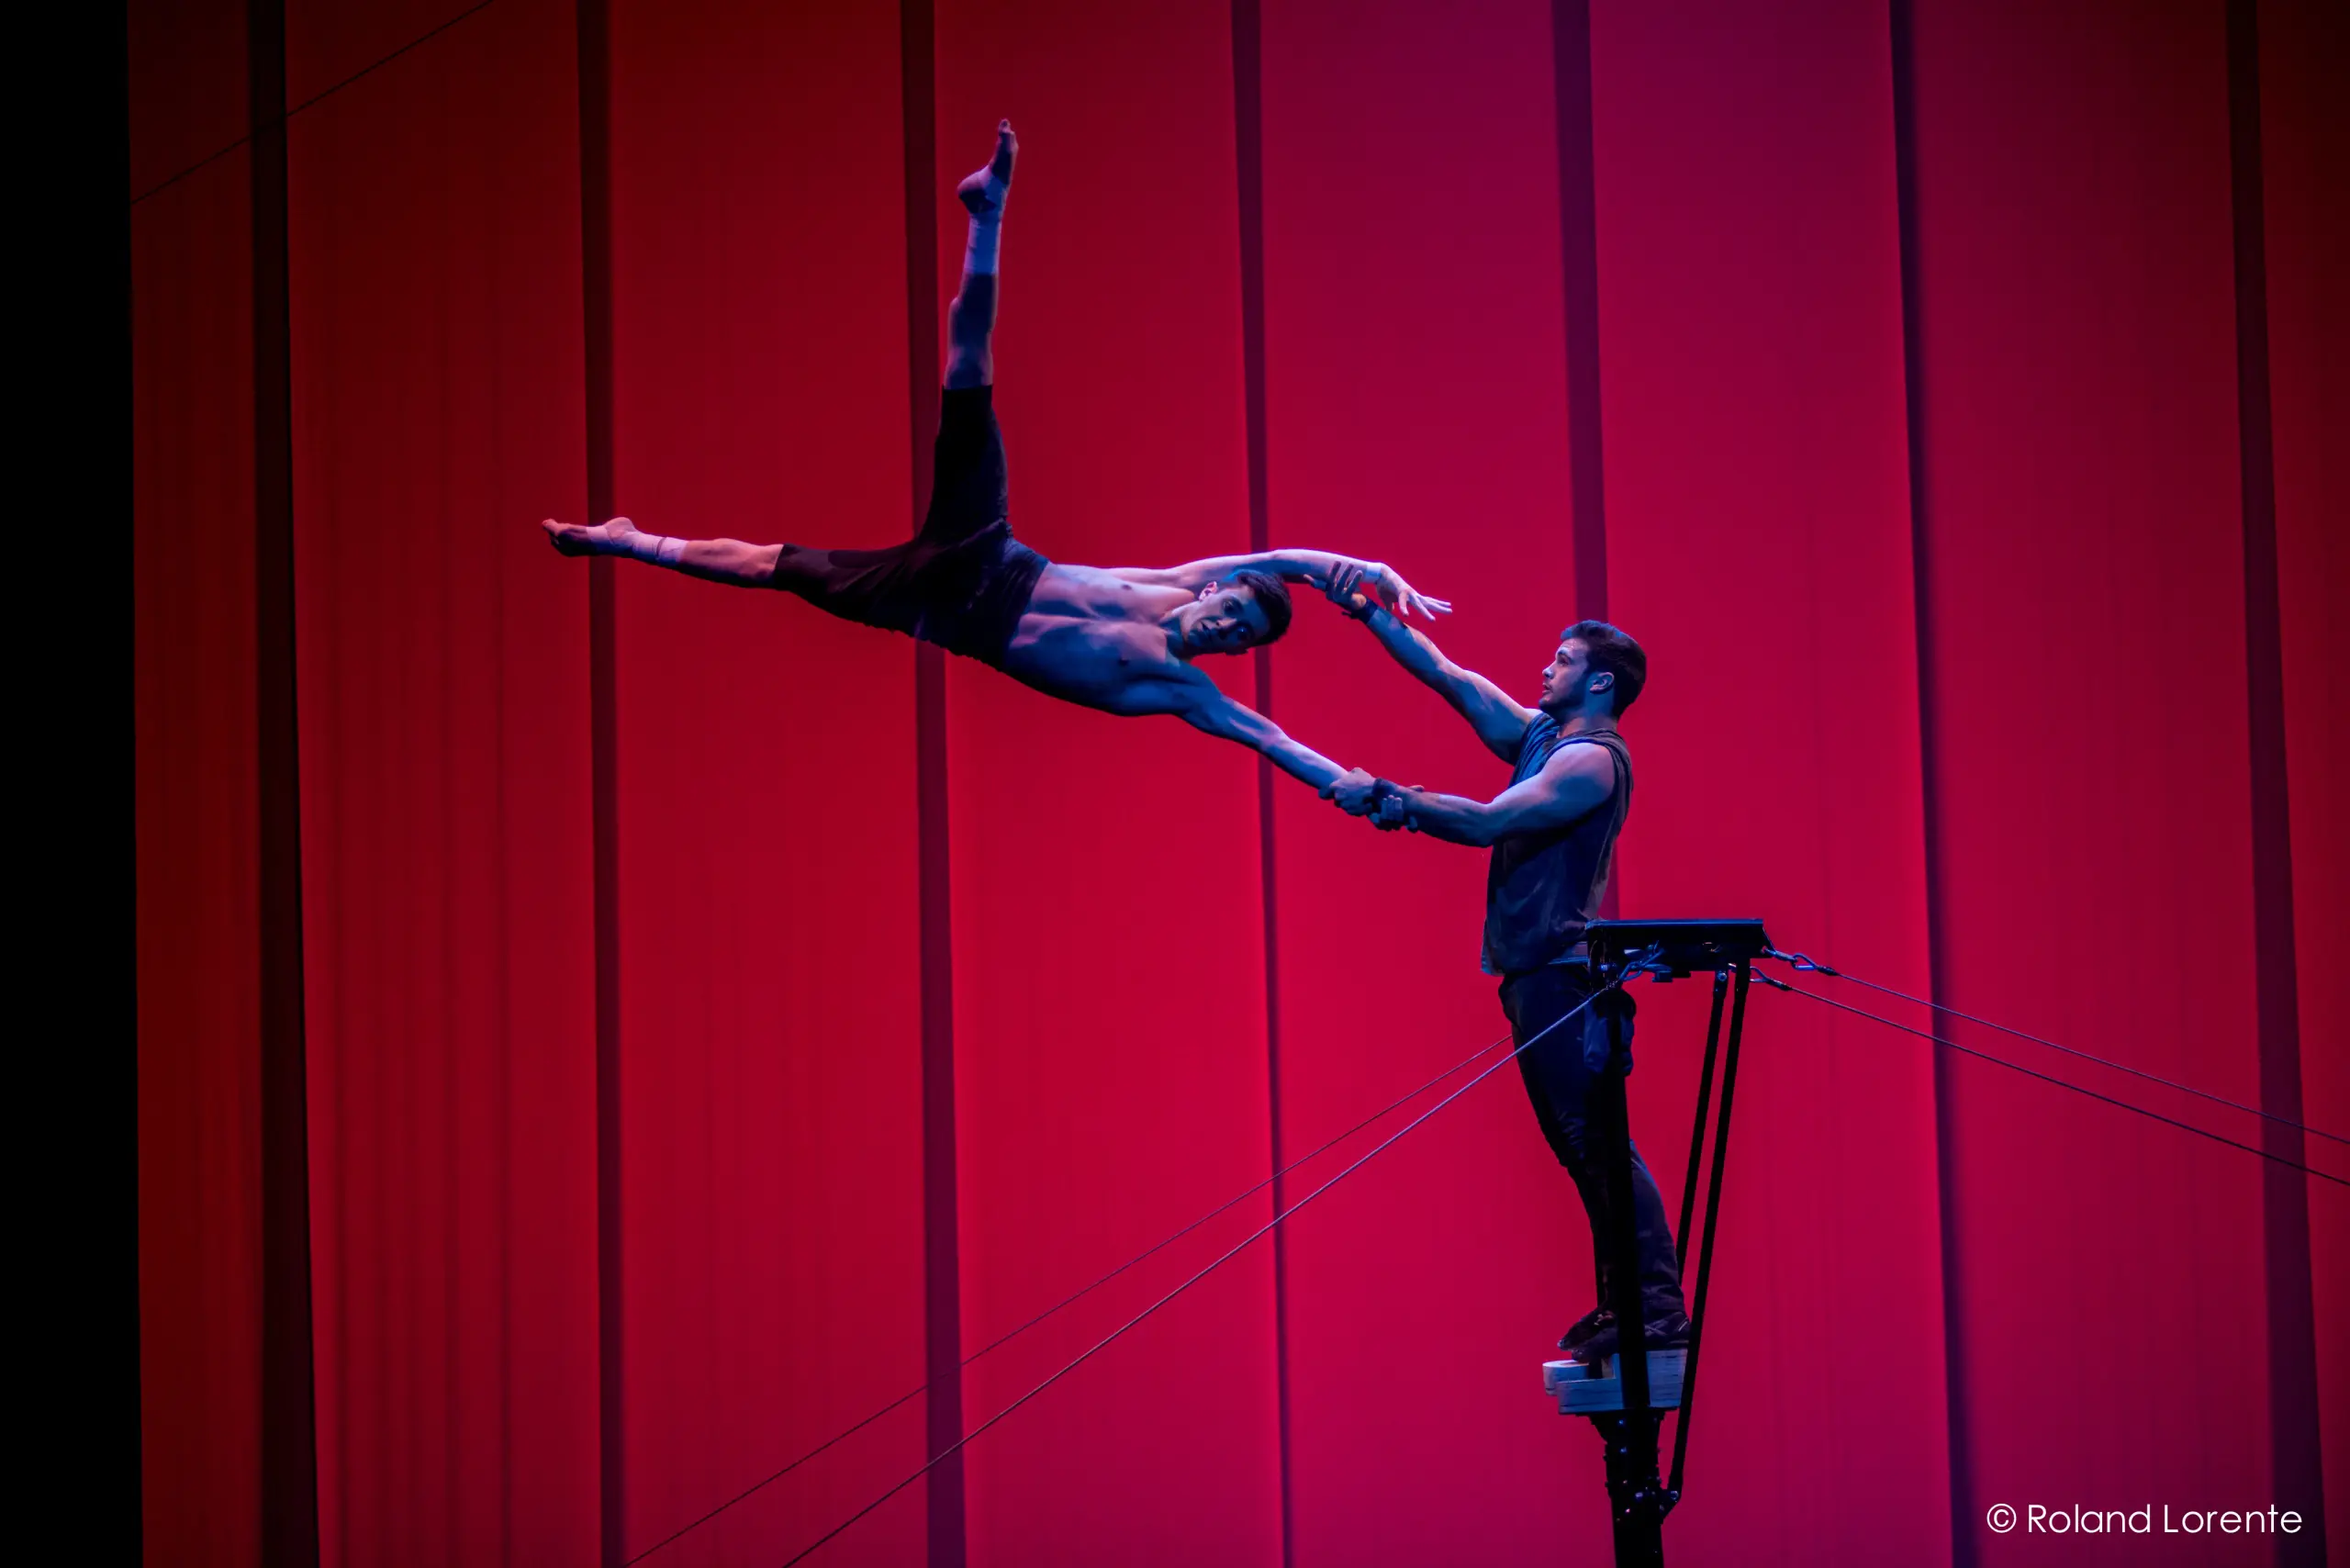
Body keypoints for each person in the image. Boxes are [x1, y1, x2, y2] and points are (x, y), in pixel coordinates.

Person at [543, 121, 1444, 793]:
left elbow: (1268, 739)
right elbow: (1282, 559)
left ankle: (628, 541)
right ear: (1214, 594)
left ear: (1233, 650)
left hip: (940, 613)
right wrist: (1364, 568)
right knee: (968, 368)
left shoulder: (1177, 687)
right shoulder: (1173, 583)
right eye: (1231, 610)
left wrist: (1347, 783)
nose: (1225, 626)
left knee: (777, 568)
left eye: (1240, 636)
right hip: (986, 550)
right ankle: (990, 212)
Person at [1318, 572, 1689, 1364]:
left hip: (1562, 976)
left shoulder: (1591, 762)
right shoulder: (1543, 739)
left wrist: (1392, 798)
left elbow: (1489, 823)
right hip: (1533, 978)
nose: (1544, 669)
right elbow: (1451, 679)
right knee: (1579, 1148)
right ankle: (1625, 1303)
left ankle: (1654, 1309)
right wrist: (1371, 619)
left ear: (1597, 680)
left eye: (1561, 660)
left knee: (1597, 1145)